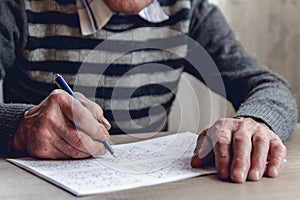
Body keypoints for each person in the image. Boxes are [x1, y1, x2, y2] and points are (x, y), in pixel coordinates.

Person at [0, 0, 297, 184]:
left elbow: (268, 85)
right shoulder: (20, 7)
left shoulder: (189, 11)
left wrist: (254, 122)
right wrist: (19, 126)